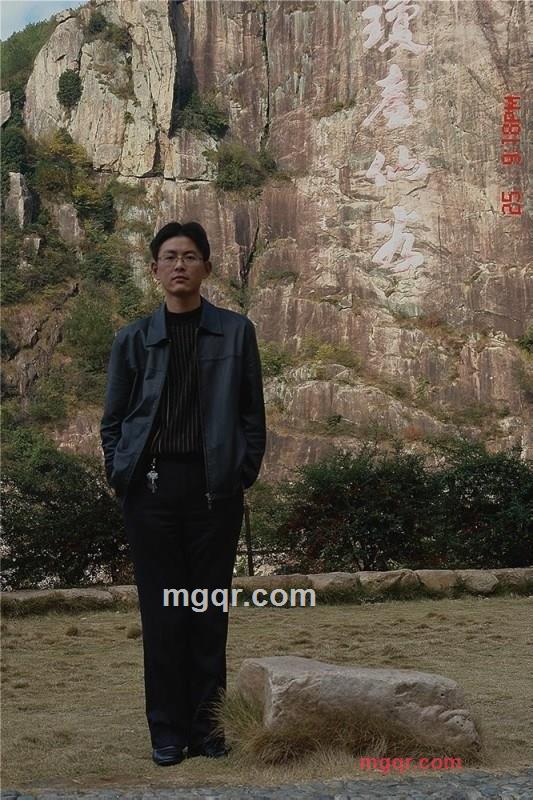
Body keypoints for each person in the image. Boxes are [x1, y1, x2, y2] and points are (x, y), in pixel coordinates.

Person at [100, 221, 266, 766]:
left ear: (207, 268)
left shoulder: (236, 332)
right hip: (150, 492)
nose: (179, 265)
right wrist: (120, 472)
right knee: (163, 614)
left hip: (215, 491)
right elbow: (113, 420)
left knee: (207, 611)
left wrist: (240, 473)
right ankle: (167, 732)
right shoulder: (132, 338)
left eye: (190, 256)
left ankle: (209, 728)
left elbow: (251, 414)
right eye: (169, 256)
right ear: (155, 270)